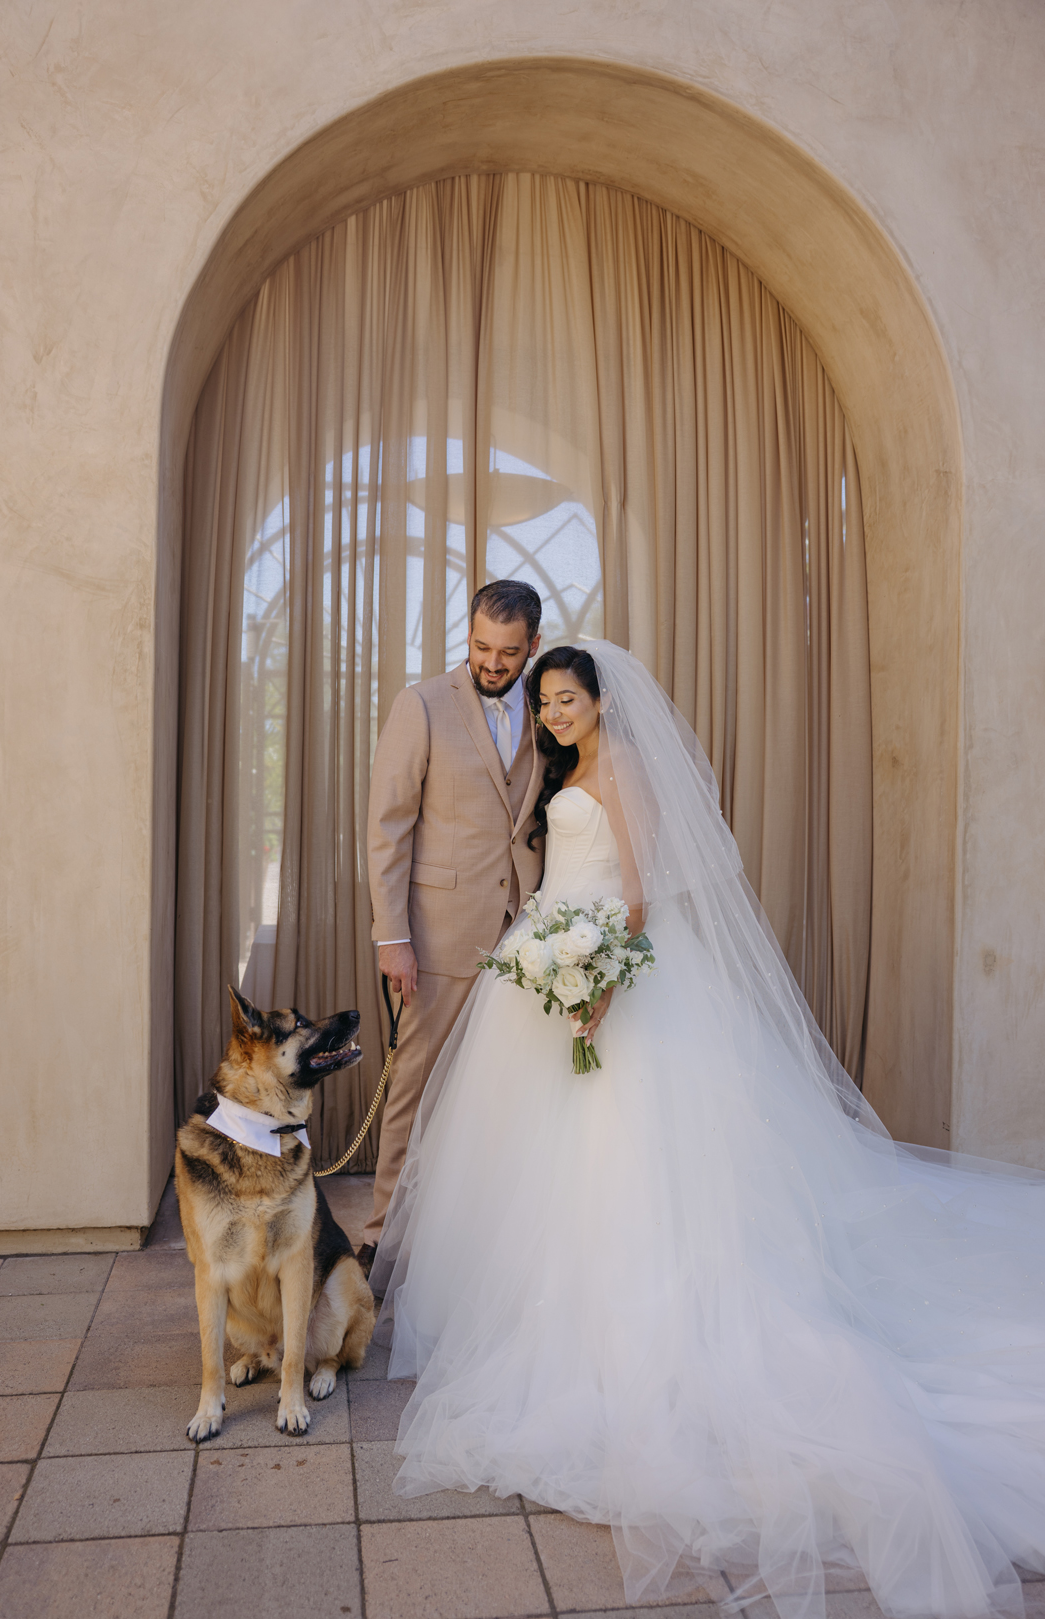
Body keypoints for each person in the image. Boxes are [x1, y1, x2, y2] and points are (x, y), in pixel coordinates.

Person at [371, 640, 1045, 1619]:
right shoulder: (562, 767)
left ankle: (627, 1333)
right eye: (546, 699)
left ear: (602, 700)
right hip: (554, 961)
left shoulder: (628, 766)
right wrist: (558, 959)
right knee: (537, 1164)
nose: (555, 713)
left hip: (610, 968)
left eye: (568, 698)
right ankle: (540, 1313)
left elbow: (639, 892)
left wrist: (599, 977)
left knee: (624, 1160)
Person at [358, 581, 545, 1274]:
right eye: (481, 647)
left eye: (508, 651)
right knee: (414, 1087)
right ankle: (382, 1235)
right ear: (466, 635)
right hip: (436, 934)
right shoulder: (423, 705)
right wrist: (392, 936)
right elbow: (388, 828)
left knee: (508, 1091)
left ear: (533, 644)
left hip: (523, 933)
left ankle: (483, 1243)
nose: (493, 663)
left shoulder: (545, 705)